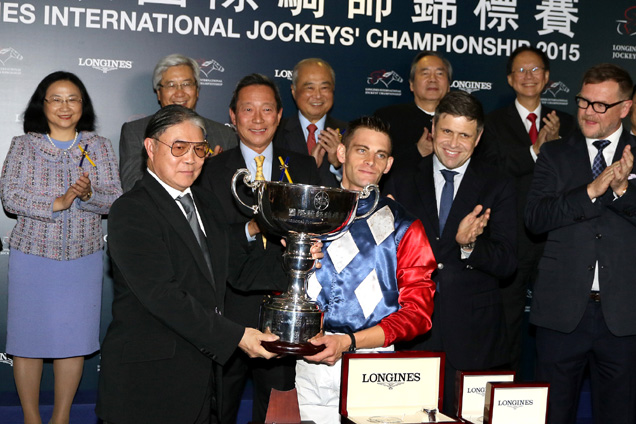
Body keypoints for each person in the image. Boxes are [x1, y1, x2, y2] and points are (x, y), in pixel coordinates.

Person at [96, 104, 322, 424]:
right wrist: (238, 337)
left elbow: (238, 270)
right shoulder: (131, 210)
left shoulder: (205, 201)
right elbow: (163, 296)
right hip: (149, 386)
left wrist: (295, 261)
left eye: (199, 149)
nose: (191, 158)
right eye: (178, 147)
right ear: (150, 147)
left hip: (204, 383)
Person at [295, 116, 437, 424]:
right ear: (342, 153)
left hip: (376, 365)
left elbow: (418, 314)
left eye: (380, 155)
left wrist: (350, 342)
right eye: (361, 150)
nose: (370, 161)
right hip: (312, 359)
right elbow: (281, 286)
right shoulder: (305, 215)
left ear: (389, 165)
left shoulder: (405, 226)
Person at [384, 91, 517, 416]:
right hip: (413, 329)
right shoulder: (401, 179)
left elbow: (508, 263)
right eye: (446, 131)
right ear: (432, 127)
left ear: (479, 137)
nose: (453, 143)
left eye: (464, 134)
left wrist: (469, 245)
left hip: (475, 335)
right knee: (407, 418)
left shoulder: (498, 184)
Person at [197, 73, 321, 423]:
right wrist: (253, 226)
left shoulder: (302, 166)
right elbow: (211, 240)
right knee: (219, 407)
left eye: (267, 109)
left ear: (280, 115)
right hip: (229, 310)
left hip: (285, 307)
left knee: (276, 411)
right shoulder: (210, 170)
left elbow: (320, 228)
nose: (257, 118)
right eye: (248, 109)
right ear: (233, 117)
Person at [0, 71, 122, 424]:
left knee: (73, 340)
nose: (65, 107)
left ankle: (61, 418)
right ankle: (31, 419)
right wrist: (57, 201)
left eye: (73, 99)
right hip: (33, 255)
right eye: (56, 98)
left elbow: (114, 198)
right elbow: (10, 196)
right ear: (43, 104)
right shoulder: (24, 145)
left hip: (82, 257)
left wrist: (87, 195)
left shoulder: (97, 146)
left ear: (83, 106)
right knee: (27, 341)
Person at [525, 63, 636, 424]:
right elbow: (536, 219)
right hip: (560, 314)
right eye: (584, 101)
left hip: (623, 318)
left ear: (625, 107)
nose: (589, 111)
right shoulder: (555, 153)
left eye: (601, 105)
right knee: (553, 414)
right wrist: (590, 192)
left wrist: (621, 191)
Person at [477, 45, 575, 377]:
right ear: (509, 79)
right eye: (521, 71)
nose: (528, 76)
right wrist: (535, 150)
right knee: (507, 324)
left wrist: (558, 149)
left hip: (555, 239)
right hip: (510, 236)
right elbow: (490, 170)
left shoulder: (569, 125)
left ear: (547, 77)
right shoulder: (490, 124)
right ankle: (505, 396)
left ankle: (548, 397)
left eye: (535, 70)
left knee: (555, 326)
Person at [118, 53, 238, 192]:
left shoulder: (224, 134)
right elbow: (132, 185)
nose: (180, 93)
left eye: (186, 84)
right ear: (158, 92)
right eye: (171, 85)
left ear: (197, 90)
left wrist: (212, 169)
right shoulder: (136, 131)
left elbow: (233, 192)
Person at [274, 58, 347, 187]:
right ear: (294, 91)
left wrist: (338, 165)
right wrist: (308, 167)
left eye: (324, 87)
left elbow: (361, 184)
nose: (318, 95)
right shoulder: (275, 133)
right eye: (310, 88)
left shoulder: (349, 133)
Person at [374, 51, 451, 161]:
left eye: (439, 74)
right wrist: (417, 152)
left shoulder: (461, 122)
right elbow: (377, 165)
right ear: (411, 84)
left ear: (448, 85)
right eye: (425, 73)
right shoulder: (386, 119)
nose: (433, 79)